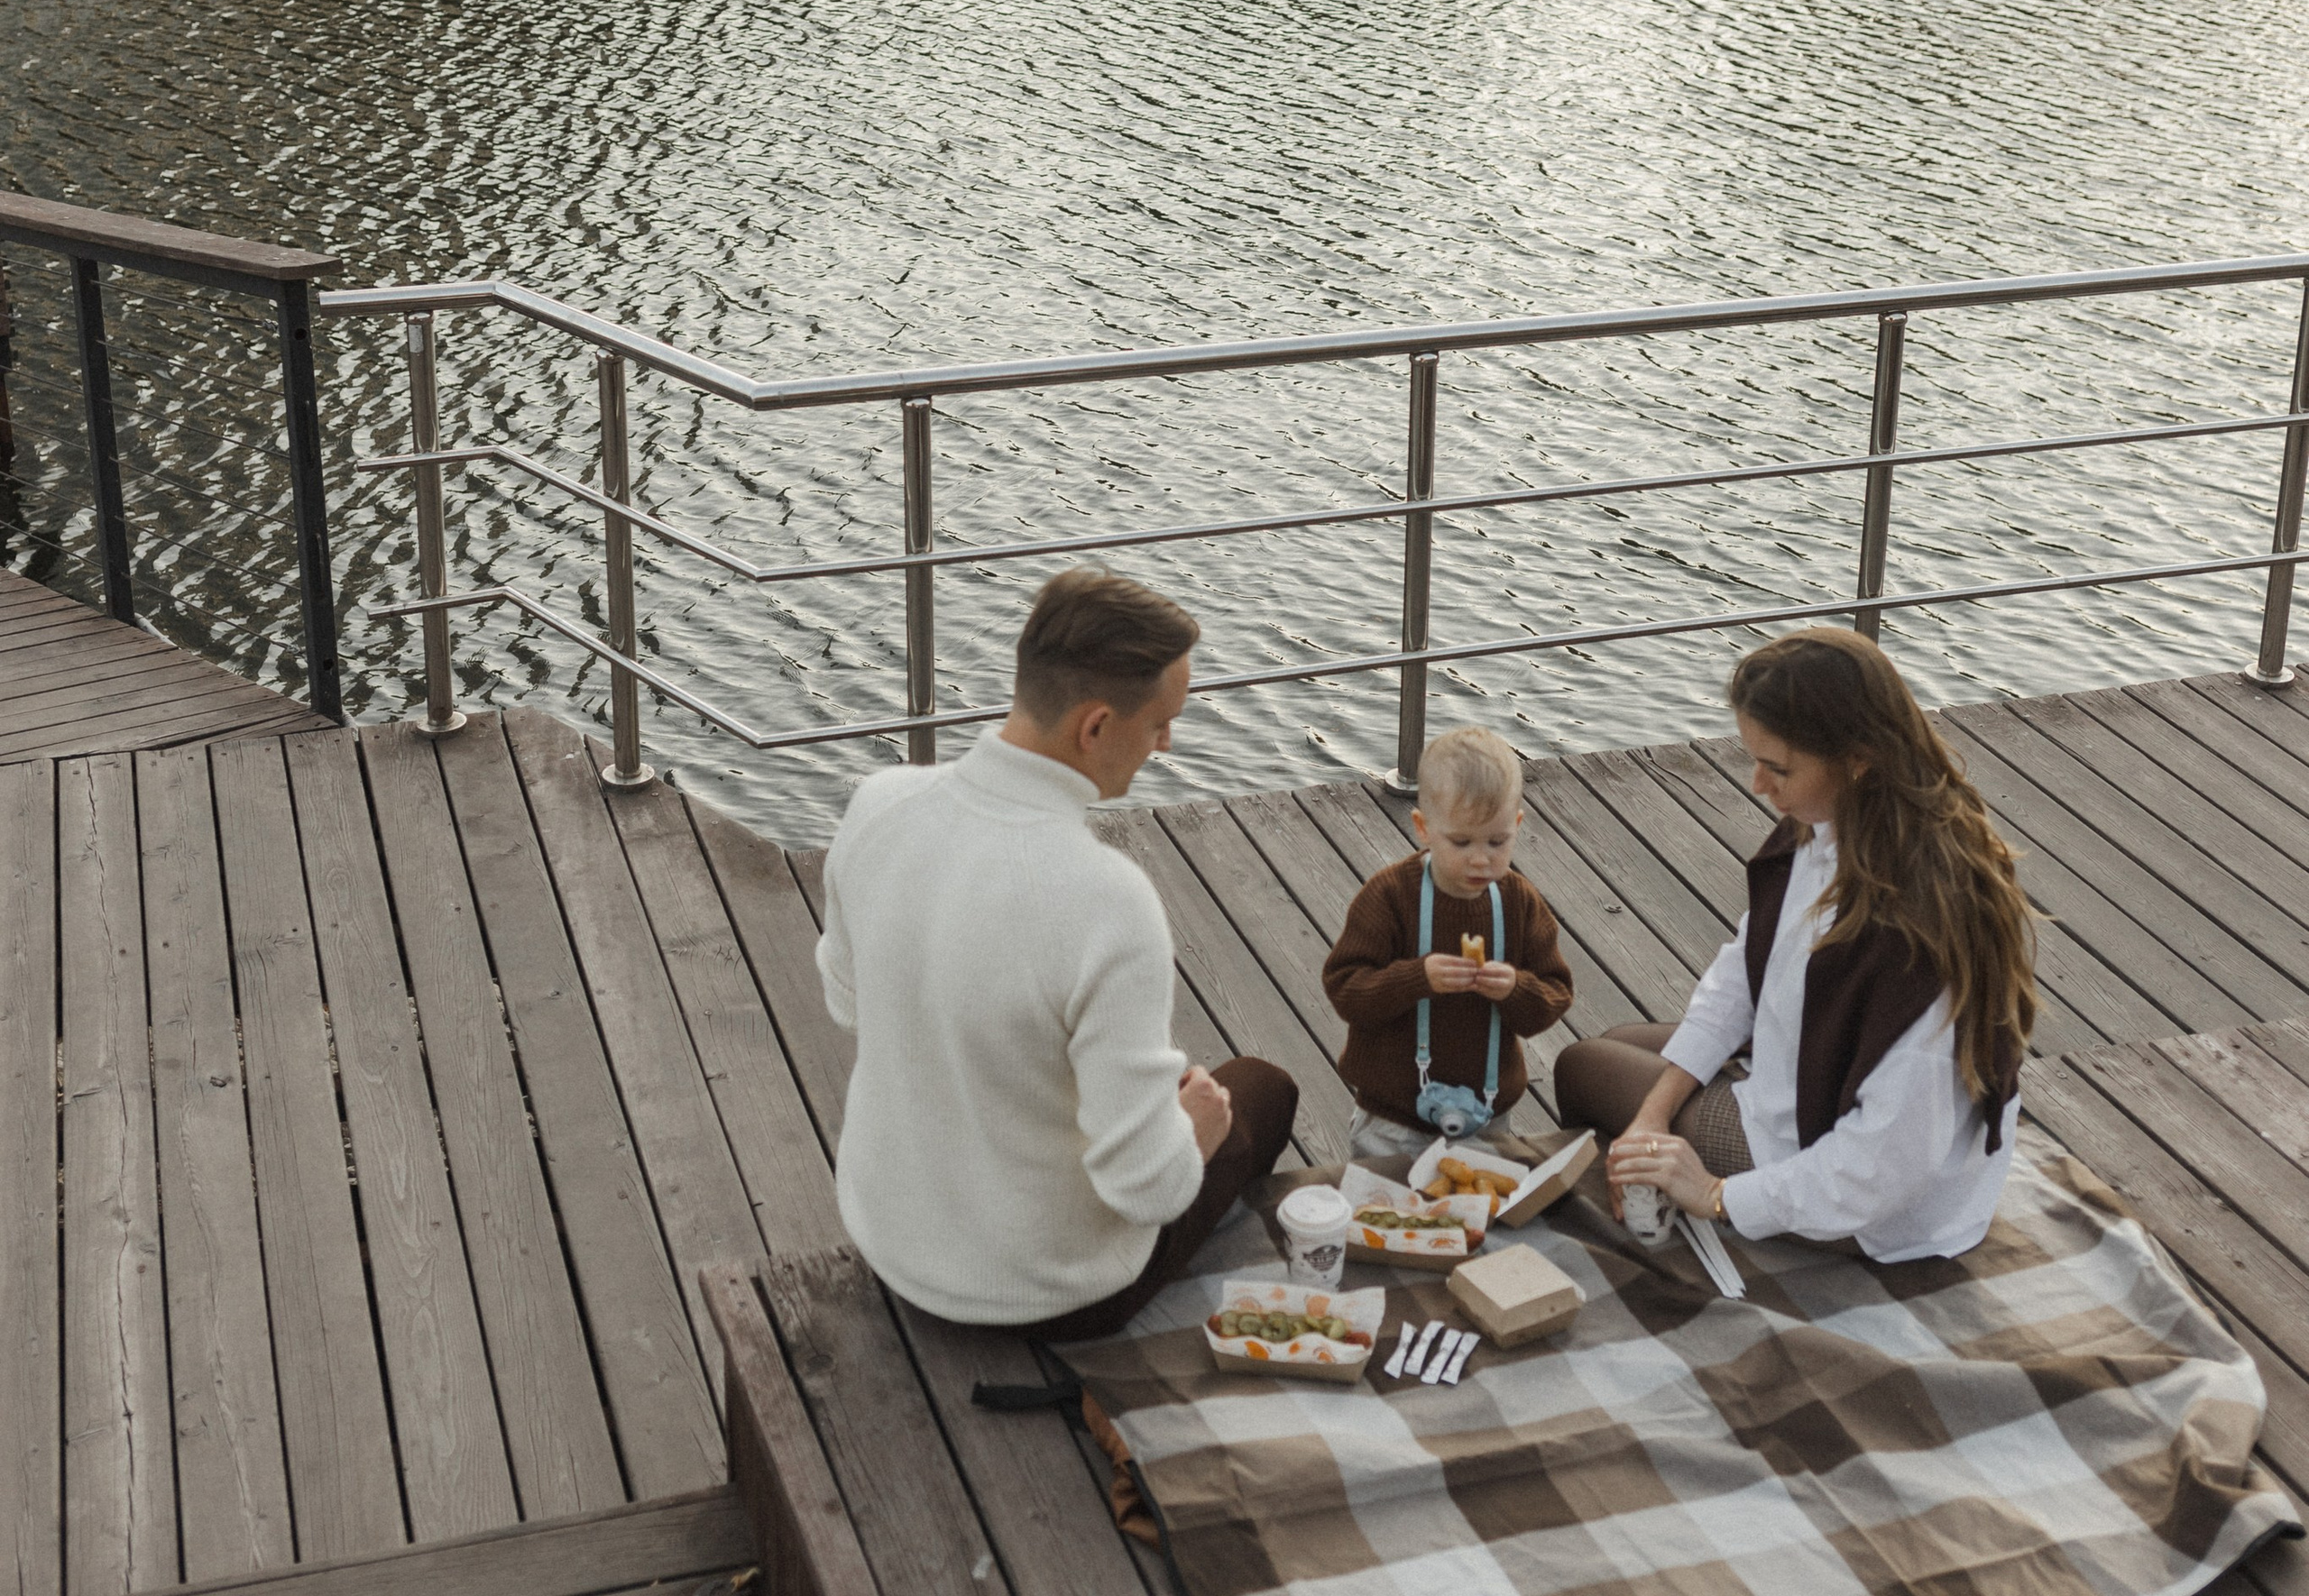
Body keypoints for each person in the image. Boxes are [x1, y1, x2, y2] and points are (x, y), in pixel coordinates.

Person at [816, 564, 1296, 1338]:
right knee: (1259, 1092)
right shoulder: (1107, 900)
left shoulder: (880, 804)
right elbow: (1144, 1188)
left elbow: (848, 1004)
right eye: (1161, 722)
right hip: (1044, 1293)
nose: (1167, 743)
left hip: (893, 1243)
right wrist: (1193, 1134)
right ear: (1097, 727)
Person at [1554, 628, 2036, 1261]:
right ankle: (1648, 1178)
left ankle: (1651, 1246)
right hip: (1806, 1082)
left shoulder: (1914, 937)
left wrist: (1716, 1195)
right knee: (1622, 1046)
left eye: (1778, 767)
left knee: (1583, 1069)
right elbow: (1743, 975)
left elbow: (1881, 1167)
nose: (1758, 784)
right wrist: (1654, 1114)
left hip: (1843, 1182)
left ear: (1857, 758)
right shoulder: (1838, 825)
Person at [1321, 726, 1574, 1166]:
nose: (1481, 858)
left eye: (1498, 842)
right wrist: (1416, 978)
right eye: (1461, 842)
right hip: (1393, 1117)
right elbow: (1346, 990)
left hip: (1487, 1112)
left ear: (1517, 825)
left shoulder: (1518, 902)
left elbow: (1554, 993)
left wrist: (1515, 988)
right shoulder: (1390, 896)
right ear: (1423, 828)